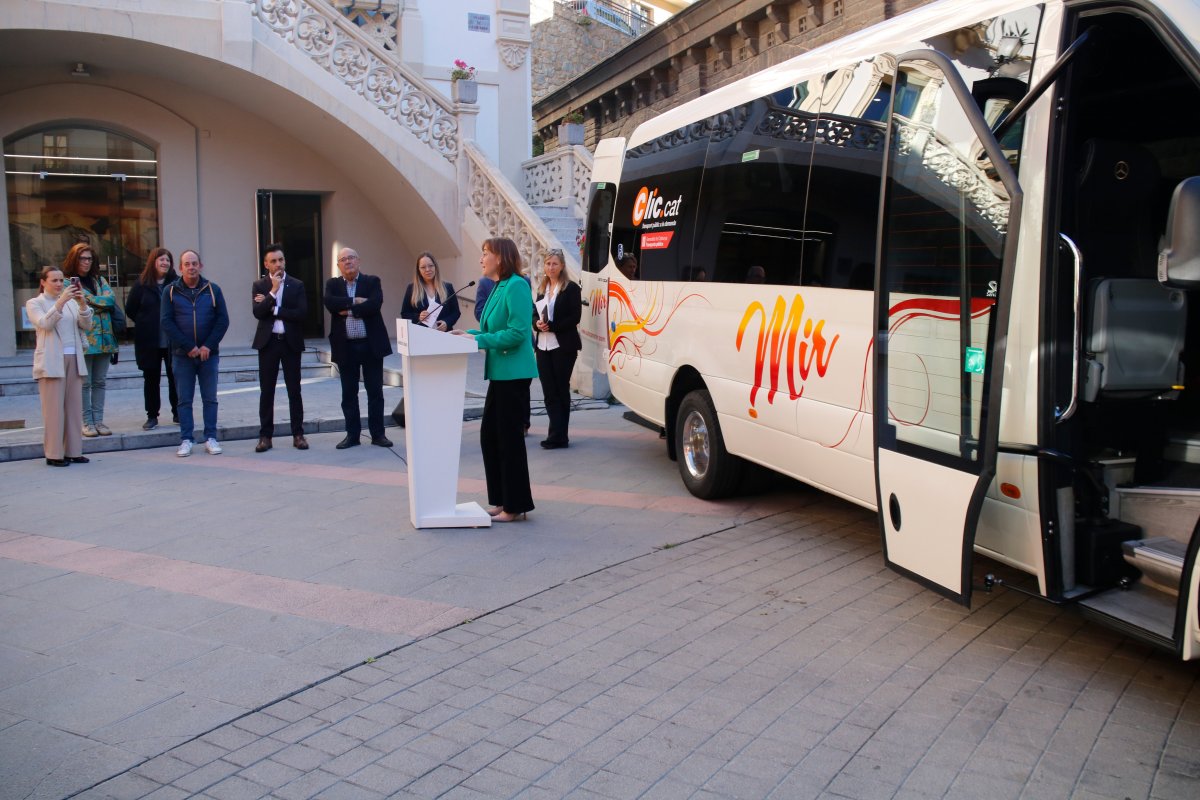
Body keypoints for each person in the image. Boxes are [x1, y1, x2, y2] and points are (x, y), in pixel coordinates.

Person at [455, 237, 537, 522]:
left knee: (508, 440)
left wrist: (480, 339)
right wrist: (468, 335)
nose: (481, 258)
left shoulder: (517, 285)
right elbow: (491, 328)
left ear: (500, 257)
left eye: (485, 253)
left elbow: (517, 332)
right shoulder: (498, 286)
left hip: (513, 374)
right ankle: (503, 500)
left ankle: (515, 506)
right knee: (491, 437)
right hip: (500, 373)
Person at [161, 249, 229, 457]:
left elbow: (222, 321)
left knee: (210, 398)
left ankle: (210, 437)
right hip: (183, 356)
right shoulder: (170, 291)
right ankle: (186, 439)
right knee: (184, 400)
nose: (191, 267)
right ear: (180, 268)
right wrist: (188, 346)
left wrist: (208, 345)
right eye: (186, 264)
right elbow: (166, 322)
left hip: (209, 355)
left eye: (194, 263)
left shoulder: (213, 290)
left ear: (200, 266)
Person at [324, 248, 393, 449]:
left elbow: (375, 305)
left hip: (371, 345)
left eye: (351, 258)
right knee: (348, 393)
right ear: (338, 265)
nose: (348, 262)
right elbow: (330, 303)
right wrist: (356, 301)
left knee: (375, 392)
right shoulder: (333, 284)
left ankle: (378, 434)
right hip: (346, 347)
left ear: (359, 261)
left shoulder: (372, 281)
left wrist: (346, 310)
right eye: (343, 259)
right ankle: (352, 435)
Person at [25, 267, 93, 466]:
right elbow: (44, 324)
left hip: (74, 358)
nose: (58, 284)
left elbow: (86, 325)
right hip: (51, 361)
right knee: (54, 410)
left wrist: (82, 305)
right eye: (54, 280)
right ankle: (54, 454)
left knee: (73, 408)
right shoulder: (35, 303)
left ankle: (73, 450)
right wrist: (61, 301)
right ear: (43, 282)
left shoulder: (72, 302)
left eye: (61, 280)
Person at [252, 243, 308, 451]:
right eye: (273, 261)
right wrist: (273, 292)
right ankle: (265, 436)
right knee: (267, 391)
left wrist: (273, 307)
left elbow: (301, 314)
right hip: (268, 343)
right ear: (266, 264)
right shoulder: (260, 285)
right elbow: (258, 313)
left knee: (295, 390)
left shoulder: (297, 284)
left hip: (290, 342)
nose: (278, 264)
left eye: (281, 260)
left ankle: (298, 434)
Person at [63, 242, 118, 437]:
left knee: (100, 382)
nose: (86, 262)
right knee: (85, 383)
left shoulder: (99, 280)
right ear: (74, 259)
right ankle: (87, 422)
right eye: (82, 258)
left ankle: (99, 421)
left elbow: (111, 300)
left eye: (89, 258)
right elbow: (81, 300)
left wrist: (90, 300)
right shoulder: (67, 282)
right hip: (85, 339)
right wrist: (98, 301)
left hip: (105, 340)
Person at [125, 247, 179, 430]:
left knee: (176, 377)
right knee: (151, 379)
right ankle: (152, 416)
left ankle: (178, 413)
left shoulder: (177, 283)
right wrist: (145, 322)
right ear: (153, 261)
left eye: (168, 260)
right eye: (161, 259)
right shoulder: (141, 284)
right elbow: (130, 309)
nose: (165, 263)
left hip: (173, 341)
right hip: (149, 342)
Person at [533, 249, 582, 450]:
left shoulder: (571, 288)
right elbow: (533, 313)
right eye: (547, 264)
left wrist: (551, 326)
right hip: (543, 346)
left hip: (563, 346)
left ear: (562, 266)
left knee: (561, 389)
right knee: (548, 391)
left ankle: (559, 435)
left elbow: (575, 317)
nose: (551, 267)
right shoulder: (541, 289)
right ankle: (557, 434)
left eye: (554, 263)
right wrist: (537, 324)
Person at [400, 252, 461, 332]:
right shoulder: (412, 288)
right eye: (423, 267)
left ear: (435, 267)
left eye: (430, 266)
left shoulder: (447, 287)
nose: (427, 269)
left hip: (444, 335)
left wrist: (447, 323)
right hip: (421, 335)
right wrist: (418, 317)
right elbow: (404, 313)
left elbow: (456, 312)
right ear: (418, 270)